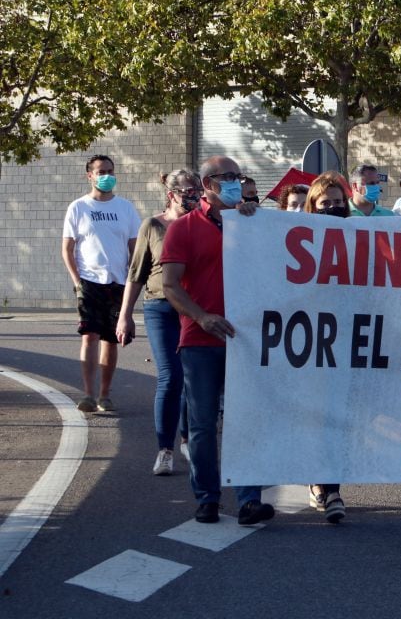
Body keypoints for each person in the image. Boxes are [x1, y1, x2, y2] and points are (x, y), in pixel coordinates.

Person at [160, 155, 275, 526]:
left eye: (237, 177)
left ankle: (248, 500)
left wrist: (262, 222)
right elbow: (170, 285)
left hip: (247, 339)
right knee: (203, 424)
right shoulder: (183, 229)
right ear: (208, 184)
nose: (235, 184)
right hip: (200, 340)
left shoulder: (253, 224)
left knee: (247, 421)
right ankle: (207, 497)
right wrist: (201, 317)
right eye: (227, 177)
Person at [117, 169, 201, 475]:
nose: (194, 196)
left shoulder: (203, 223)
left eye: (197, 190)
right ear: (172, 194)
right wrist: (125, 315)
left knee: (193, 377)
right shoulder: (152, 226)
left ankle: (186, 439)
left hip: (194, 308)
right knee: (171, 376)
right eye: (188, 191)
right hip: (161, 307)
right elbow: (136, 273)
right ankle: (164, 449)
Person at [61, 155, 141, 414]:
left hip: (117, 283)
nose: (106, 176)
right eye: (100, 171)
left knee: (110, 340)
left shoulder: (126, 208)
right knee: (89, 337)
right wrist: (77, 282)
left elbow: (135, 249)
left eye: (110, 171)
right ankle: (88, 393)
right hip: (89, 282)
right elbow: (67, 248)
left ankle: (105, 395)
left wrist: (132, 281)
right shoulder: (78, 207)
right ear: (90, 175)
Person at [299, 172, 350, 522]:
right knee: (319, 416)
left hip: (353, 341)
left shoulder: (366, 236)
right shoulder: (298, 238)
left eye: (337, 202)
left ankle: (328, 483)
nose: (331, 208)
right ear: (312, 207)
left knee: (341, 417)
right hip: (313, 342)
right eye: (324, 203)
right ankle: (326, 486)